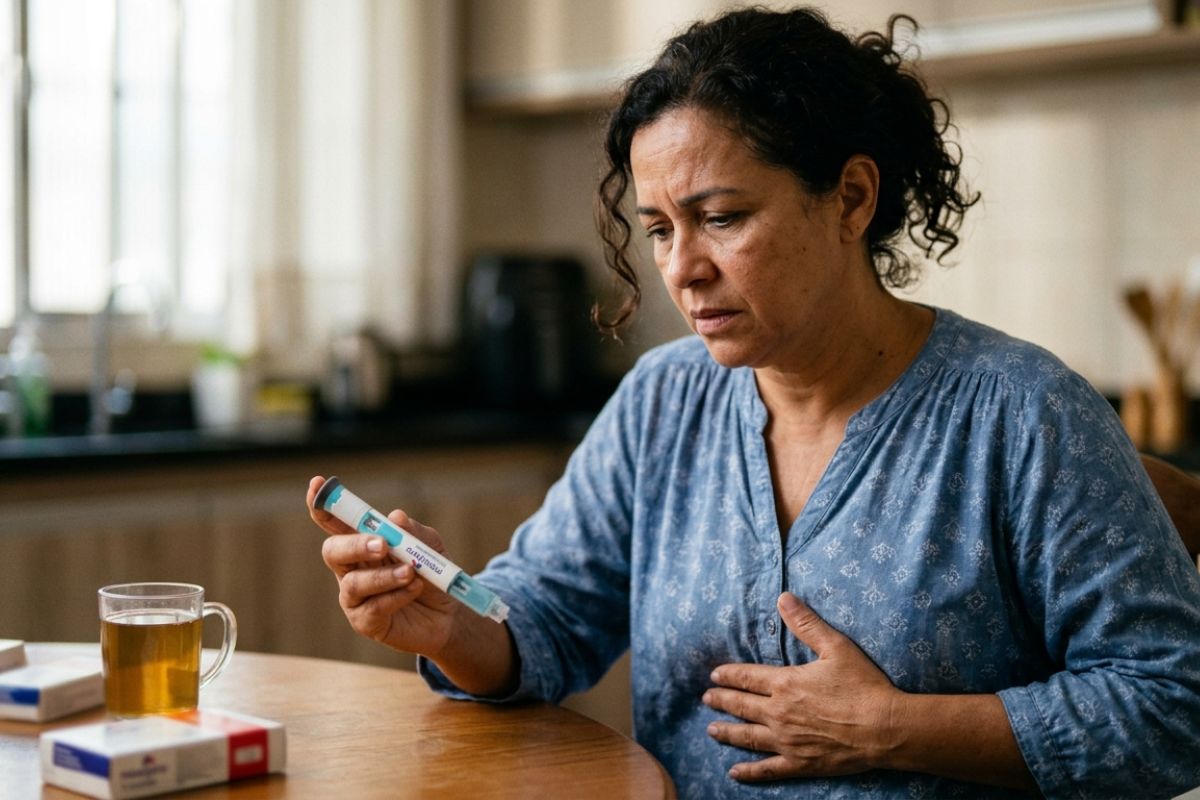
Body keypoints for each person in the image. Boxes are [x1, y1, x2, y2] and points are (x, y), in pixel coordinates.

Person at [308, 6, 1200, 798]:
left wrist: (893, 726)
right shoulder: (664, 401)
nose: (681, 269)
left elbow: (1172, 705)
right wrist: (452, 626)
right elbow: (542, 617)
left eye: (723, 217)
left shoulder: (1023, 412)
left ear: (851, 198)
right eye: (660, 229)